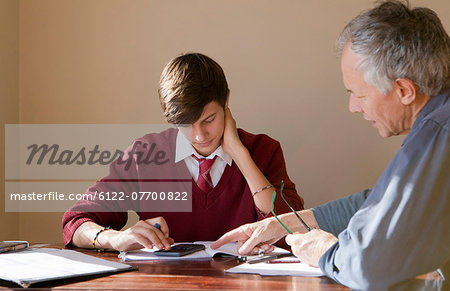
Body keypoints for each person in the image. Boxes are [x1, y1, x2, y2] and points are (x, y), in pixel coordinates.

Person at [212, 0, 449, 291]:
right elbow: (382, 201)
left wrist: (326, 251)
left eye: (358, 94)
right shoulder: (436, 125)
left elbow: (369, 268)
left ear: (404, 90)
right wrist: (287, 224)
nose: (353, 107)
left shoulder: (439, 135)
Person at [62, 53, 304, 252]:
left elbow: (292, 229)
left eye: (208, 120)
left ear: (226, 101)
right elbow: (76, 222)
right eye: (185, 125)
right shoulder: (145, 155)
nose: (199, 136)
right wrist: (115, 239)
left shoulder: (264, 150)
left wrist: (240, 154)